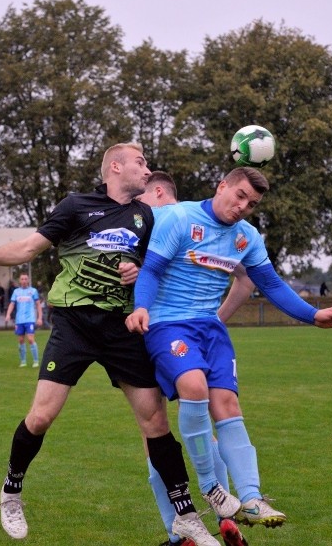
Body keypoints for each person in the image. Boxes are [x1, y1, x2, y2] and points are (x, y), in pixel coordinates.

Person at [0, 142, 220, 545]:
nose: (147, 170)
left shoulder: (145, 216)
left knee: (156, 423)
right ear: (115, 167)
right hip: (74, 325)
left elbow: (159, 267)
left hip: (122, 329)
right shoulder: (75, 206)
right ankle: (11, 491)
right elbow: (28, 248)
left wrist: (141, 273)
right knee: (41, 417)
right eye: (140, 162)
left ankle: (185, 515)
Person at [126, 167, 332, 530]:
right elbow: (151, 270)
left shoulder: (246, 237)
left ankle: (250, 497)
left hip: (210, 328)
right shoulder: (180, 218)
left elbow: (271, 284)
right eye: (240, 196)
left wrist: (313, 315)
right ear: (222, 186)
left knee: (228, 405)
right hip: (167, 323)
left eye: (252, 203)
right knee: (194, 387)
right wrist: (140, 307)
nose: (243, 206)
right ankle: (211, 487)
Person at [139, 172, 250, 546]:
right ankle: (223, 512)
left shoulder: (160, 225)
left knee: (154, 433)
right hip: (191, 335)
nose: (137, 212)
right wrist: (216, 318)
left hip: (151, 337)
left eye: (141, 202)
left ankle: (179, 530)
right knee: (200, 415)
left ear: (157, 192)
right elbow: (247, 280)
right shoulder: (211, 229)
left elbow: (147, 275)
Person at [5, 273, 43, 367]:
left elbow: (38, 305)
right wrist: (8, 314)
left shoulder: (33, 291)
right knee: (21, 340)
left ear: (28, 280)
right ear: (19, 281)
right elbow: (12, 304)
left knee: (30, 339)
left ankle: (36, 361)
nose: (24, 281)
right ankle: (23, 361)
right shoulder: (16, 292)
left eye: (26, 279)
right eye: (22, 279)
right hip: (19, 320)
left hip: (30, 319)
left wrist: (39, 318)